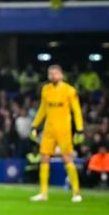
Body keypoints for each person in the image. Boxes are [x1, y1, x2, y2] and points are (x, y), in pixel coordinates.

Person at [30, 65, 84, 202]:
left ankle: (76, 193)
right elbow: (43, 109)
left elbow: (76, 110)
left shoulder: (69, 90)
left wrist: (79, 128)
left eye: (54, 73)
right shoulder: (46, 89)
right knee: (44, 158)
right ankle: (43, 193)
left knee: (67, 158)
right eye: (50, 74)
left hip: (64, 129)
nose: (52, 76)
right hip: (49, 129)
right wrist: (35, 125)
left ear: (61, 75)